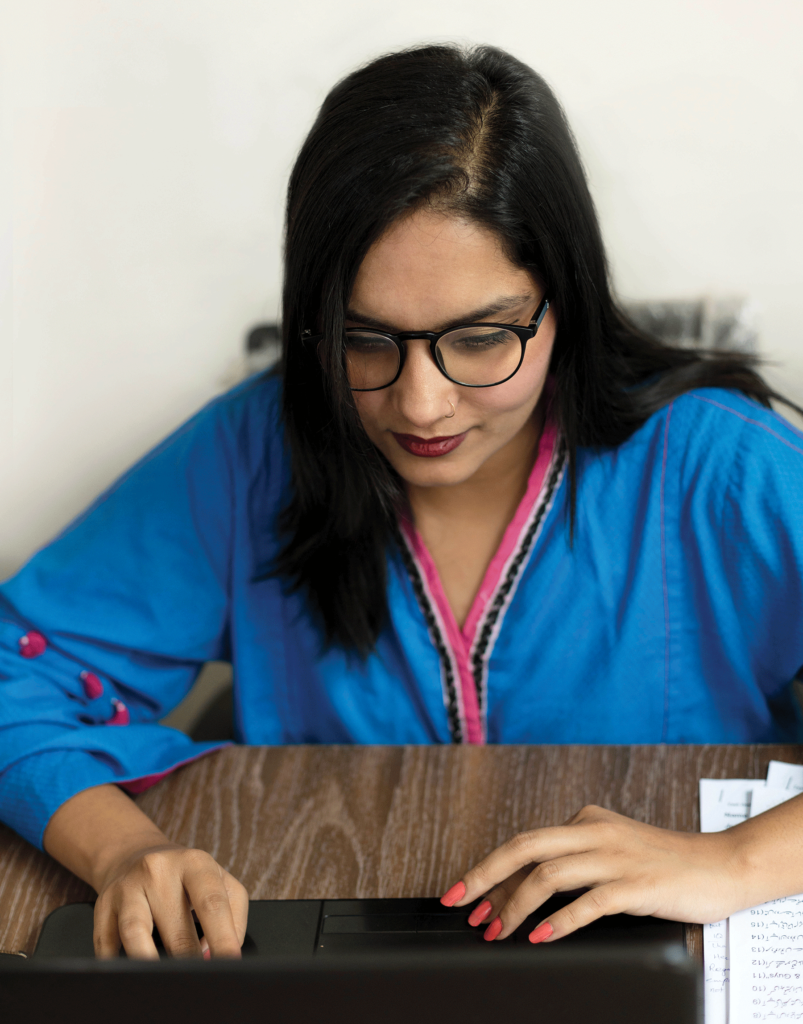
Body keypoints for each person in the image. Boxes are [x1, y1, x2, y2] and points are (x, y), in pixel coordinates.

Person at [2, 43, 803, 961]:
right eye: (364, 338)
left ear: (564, 308)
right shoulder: (252, 449)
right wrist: (125, 851)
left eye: (480, 338)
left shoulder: (717, 464)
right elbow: (15, 669)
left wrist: (734, 863)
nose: (420, 404)